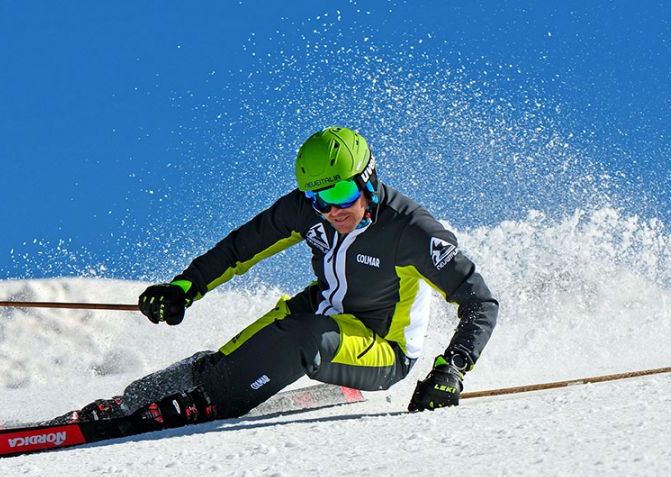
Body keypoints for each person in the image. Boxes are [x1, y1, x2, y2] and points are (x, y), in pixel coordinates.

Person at [68, 127, 498, 430]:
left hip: (383, 346)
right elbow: (240, 249)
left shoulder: (412, 231)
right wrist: (185, 287)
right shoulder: (307, 211)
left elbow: (480, 302)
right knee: (224, 363)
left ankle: (205, 404)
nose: (332, 210)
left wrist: (451, 370)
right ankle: (131, 401)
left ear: (367, 181)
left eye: (340, 193)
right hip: (319, 313)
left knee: (299, 338)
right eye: (318, 198)